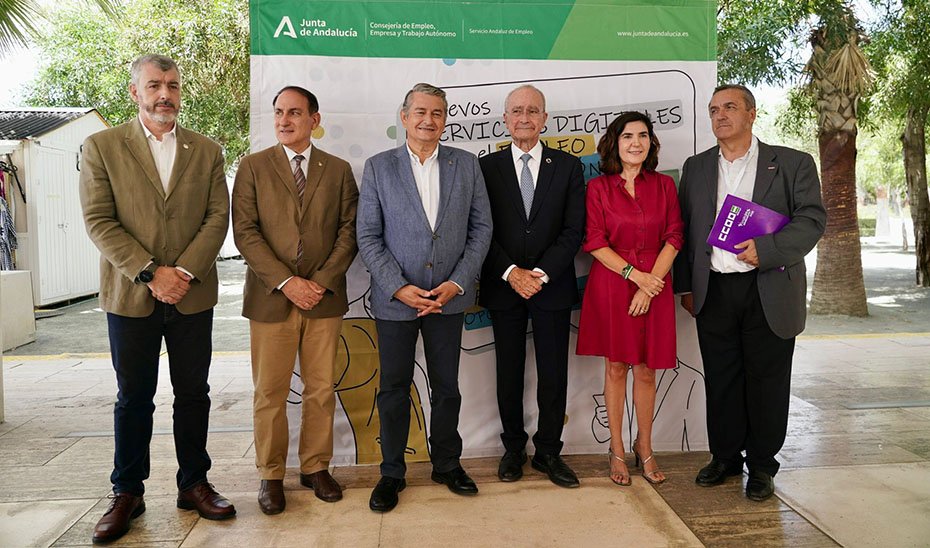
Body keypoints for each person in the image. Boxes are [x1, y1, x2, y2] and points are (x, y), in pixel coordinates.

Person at [79, 54, 234, 544]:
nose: (163, 93)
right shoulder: (102, 146)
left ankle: (194, 484)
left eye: (171, 84)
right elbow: (99, 220)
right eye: (153, 85)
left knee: (194, 393)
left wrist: (182, 273)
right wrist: (151, 273)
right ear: (135, 92)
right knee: (133, 398)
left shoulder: (206, 150)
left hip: (191, 294)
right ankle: (127, 491)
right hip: (131, 294)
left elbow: (216, 217)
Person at [673, 84, 826, 501]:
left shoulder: (792, 163)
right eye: (713, 110)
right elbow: (685, 231)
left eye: (729, 107)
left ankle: (761, 465)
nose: (720, 116)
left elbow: (812, 220)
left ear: (752, 114)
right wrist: (686, 286)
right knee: (721, 379)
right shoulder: (697, 166)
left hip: (770, 290)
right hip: (715, 291)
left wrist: (768, 249)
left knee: (767, 381)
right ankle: (724, 457)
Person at [357, 83, 493, 512]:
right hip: (396, 300)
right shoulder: (378, 168)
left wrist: (457, 283)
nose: (428, 120)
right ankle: (391, 473)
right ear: (404, 117)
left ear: (445, 119)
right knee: (394, 388)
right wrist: (398, 286)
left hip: (448, 299)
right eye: (420, 112)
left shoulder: (467, 166)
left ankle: (447, 464)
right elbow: (368, 235)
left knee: (447, 387)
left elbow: (481, 230)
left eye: (437, 112)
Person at [232, 86, 358, 514]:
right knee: (269, 392)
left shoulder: (339, 170)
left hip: (323, 298)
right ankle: (271, 475)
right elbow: (245, 234)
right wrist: (288, 282)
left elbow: (348, 232)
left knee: (321, 389)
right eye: (279, 113)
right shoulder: (252, 167)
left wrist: (319, 282)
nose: (285, 120)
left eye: (295, 113)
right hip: (272, 299)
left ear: (314, 120)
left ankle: (315, 467)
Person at [478, 85, 585, 487]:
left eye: (533, 111)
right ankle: (512, 449)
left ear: (545, 118)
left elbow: (574, 230)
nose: (524, 117)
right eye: (517, 111)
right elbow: (480, 228)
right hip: (503, 284)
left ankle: (548, 453)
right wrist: (511, 273)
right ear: (505, 118)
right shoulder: (485, 168)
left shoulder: (569, 167)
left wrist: (539, 274)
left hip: (551, 286)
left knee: (554, 374)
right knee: (508, 371)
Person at [576, 111, 683, 486]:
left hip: (655, 285)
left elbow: (674, 236)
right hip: (613, 286)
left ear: (652, 142)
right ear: (615, 143)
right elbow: (593, 242)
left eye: (642, 135)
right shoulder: (598, 189)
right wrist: (636, 277)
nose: (635, 142)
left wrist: (651, 283)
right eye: (627, 136)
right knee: (617, 366)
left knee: (647, 369)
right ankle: (617, 449)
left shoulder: (665, 187)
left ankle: (646, 447)